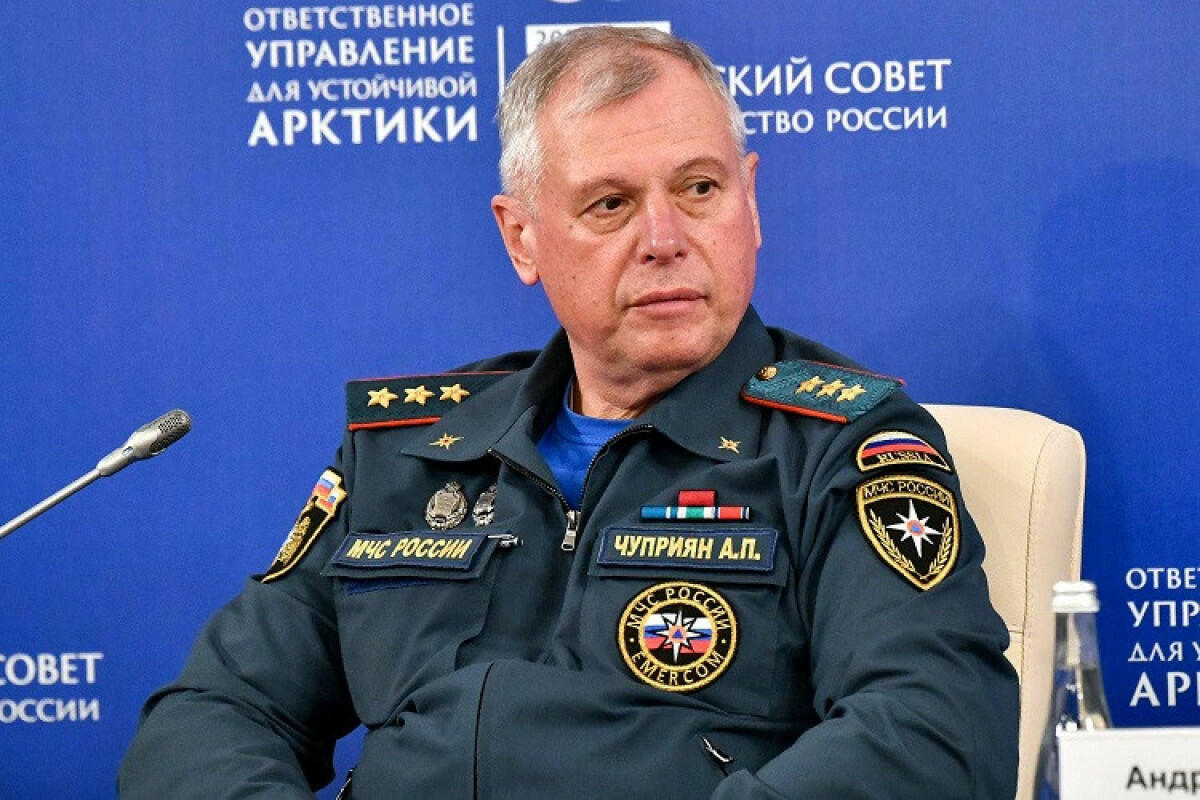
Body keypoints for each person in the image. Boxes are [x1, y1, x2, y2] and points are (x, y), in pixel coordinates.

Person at [120, 26, 1018, 799]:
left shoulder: (841, 444)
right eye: (611, 204)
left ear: (749, 201)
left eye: (699, 190)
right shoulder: (411, 450)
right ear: (522, 237)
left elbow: (934, 728)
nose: (665, 240)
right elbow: (215, 714)